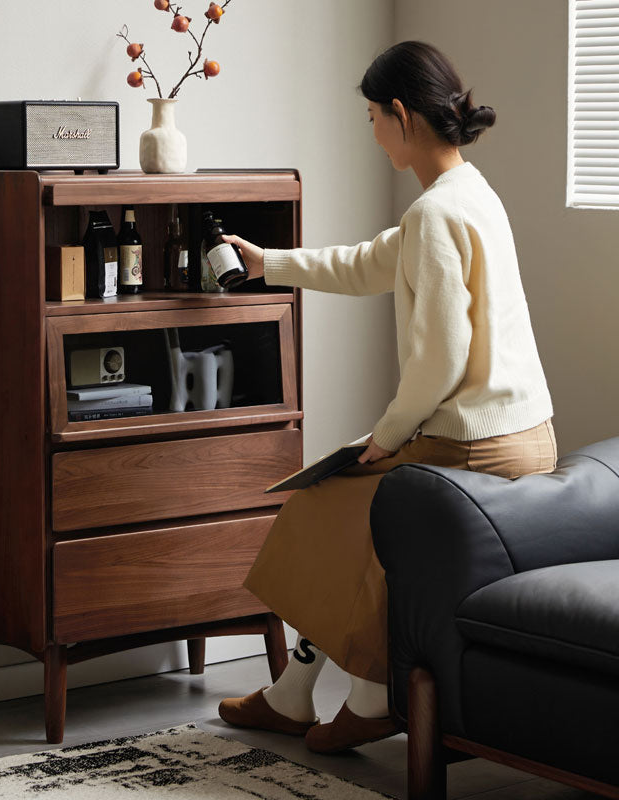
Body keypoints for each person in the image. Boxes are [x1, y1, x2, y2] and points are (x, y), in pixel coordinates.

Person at [217, 41, 557, 754]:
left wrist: (389, 433)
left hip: (472, 444)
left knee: (320, 504)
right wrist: (269, 263)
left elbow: (441, 359)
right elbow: (372, 261)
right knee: (349, 514)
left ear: (402, 115)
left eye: (373, 115)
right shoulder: (469, 195)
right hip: (527, 435)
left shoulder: (436, 215)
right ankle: (303, 693)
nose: (370, 131)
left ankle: (358, 695)